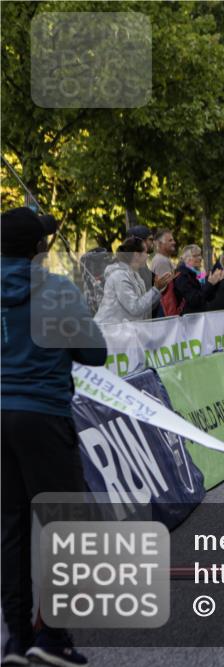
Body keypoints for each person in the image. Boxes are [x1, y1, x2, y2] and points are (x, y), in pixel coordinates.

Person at [2, 207, 107, 667]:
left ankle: (15, 639)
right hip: (43, 413)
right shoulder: (56, 289)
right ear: (39, 248)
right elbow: (94, 352)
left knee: (10, 527)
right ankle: (54, 637)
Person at [95, 237, 174, 326]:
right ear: (136, 255)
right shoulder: (119, 276)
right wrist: (155, 289)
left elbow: (144, 307)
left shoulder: (135, 275)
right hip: (108, 331)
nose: (147, 255)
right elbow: (135, 308)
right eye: (145, 252)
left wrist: (159, 289)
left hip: (122, 331)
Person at [174, 245, 224, 315]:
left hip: (199, 316)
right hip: (188, 319)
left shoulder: (198, 273)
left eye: (200, 255)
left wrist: (215, 283)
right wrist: (210, 283)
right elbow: (195, 300)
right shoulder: (182, 276)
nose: (200, 258)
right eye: (195, 256)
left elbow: (208, 297)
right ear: (186, 259)